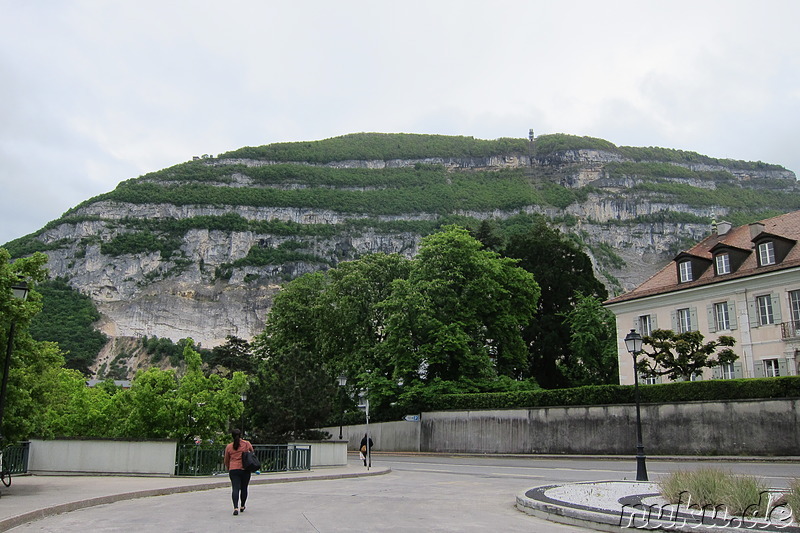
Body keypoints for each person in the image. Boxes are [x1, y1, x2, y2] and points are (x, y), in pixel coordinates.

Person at [223, 429, 254, 516]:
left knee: (235, 488)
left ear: (232, 436)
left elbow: (226, 459)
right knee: (244, 488)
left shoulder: (229, 446)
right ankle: (242, 506)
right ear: (240, 435)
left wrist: (229, 467)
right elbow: (252, 452)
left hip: (233, 469)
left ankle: (235, 507)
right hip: (245, 469)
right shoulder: (246, 444)